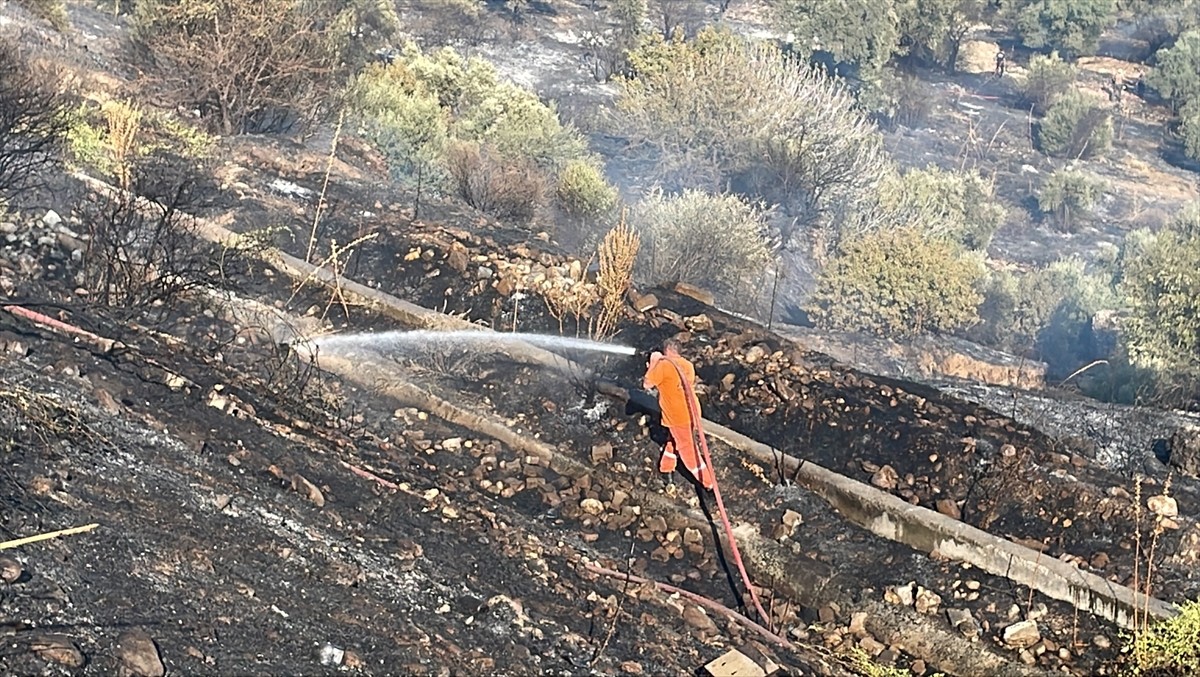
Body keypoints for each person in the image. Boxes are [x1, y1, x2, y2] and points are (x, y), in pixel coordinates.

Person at [642, 338, 715, 491]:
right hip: (692, 411)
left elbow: (647, 384)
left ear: (666, 351)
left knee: (688, 449)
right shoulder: (688, 365)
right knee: (674, 440)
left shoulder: (663, 366)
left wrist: (654, 362)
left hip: (677, 416)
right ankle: (666, 469)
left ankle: (708, 484)